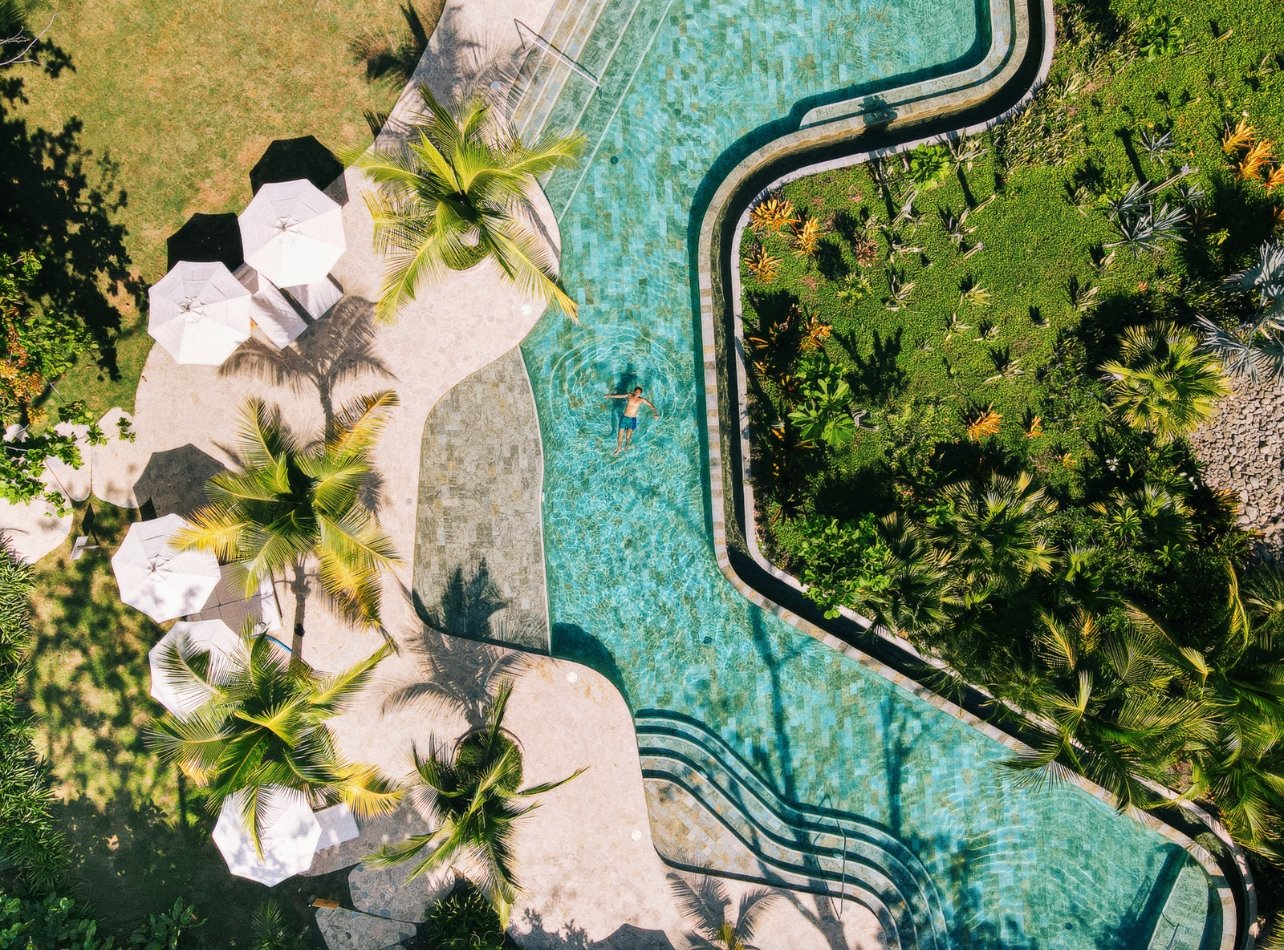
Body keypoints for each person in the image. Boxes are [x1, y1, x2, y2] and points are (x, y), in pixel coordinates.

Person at [604, 386, 659, 455]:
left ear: (640, 394)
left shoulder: (641, 400)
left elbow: (651, 405)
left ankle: (627, 445)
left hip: (632, 420)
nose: (637, 394)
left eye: (638, 393)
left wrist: (656, 413)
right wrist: (609, 396)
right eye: (636, 392)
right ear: (634, 391)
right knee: (620, 434)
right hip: (624, 417)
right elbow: (620, 396)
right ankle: (619, 448)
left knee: (628, 436)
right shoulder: (630, 395)